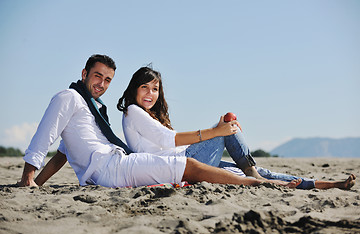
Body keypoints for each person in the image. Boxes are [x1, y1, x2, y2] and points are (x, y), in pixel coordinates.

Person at [17, 54, 301, 189]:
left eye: (107, 80)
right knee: (187, 166)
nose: (101, 84)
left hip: (115, 163)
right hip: (110, 168)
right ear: (84, 73)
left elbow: (62, 154)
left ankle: (290, 182)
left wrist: (38, 184)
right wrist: (27, 178)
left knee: (201, 167)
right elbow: (44, 136)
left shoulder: (91, 110)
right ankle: (257, 184)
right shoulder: (68, 97)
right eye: (97, 76)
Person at [117, 66, 356, 190]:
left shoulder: (148, 115)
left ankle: (325, 184)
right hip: (179, 165)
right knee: (228, 129)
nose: (151, 94)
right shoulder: (132, 111)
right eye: (145, 88)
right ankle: (251, 170)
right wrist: (217, 132)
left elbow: (170, 141)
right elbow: (170, 140)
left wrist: (216, 130)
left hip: (185, 159)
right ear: (134, 89)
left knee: (259, 172)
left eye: (155, 89)